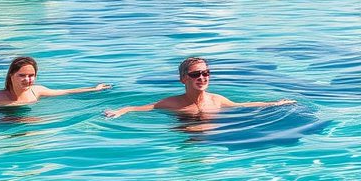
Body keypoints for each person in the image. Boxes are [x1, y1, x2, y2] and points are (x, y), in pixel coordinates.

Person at [103, 57, 294, 118]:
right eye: (195, 74)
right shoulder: (172, 103)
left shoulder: (217, 100)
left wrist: (275, 103)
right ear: (183, 79)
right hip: (188, 137)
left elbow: (242, 105)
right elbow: (138, 107)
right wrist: (120, 111)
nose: (202, 77)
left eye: (205, 73)